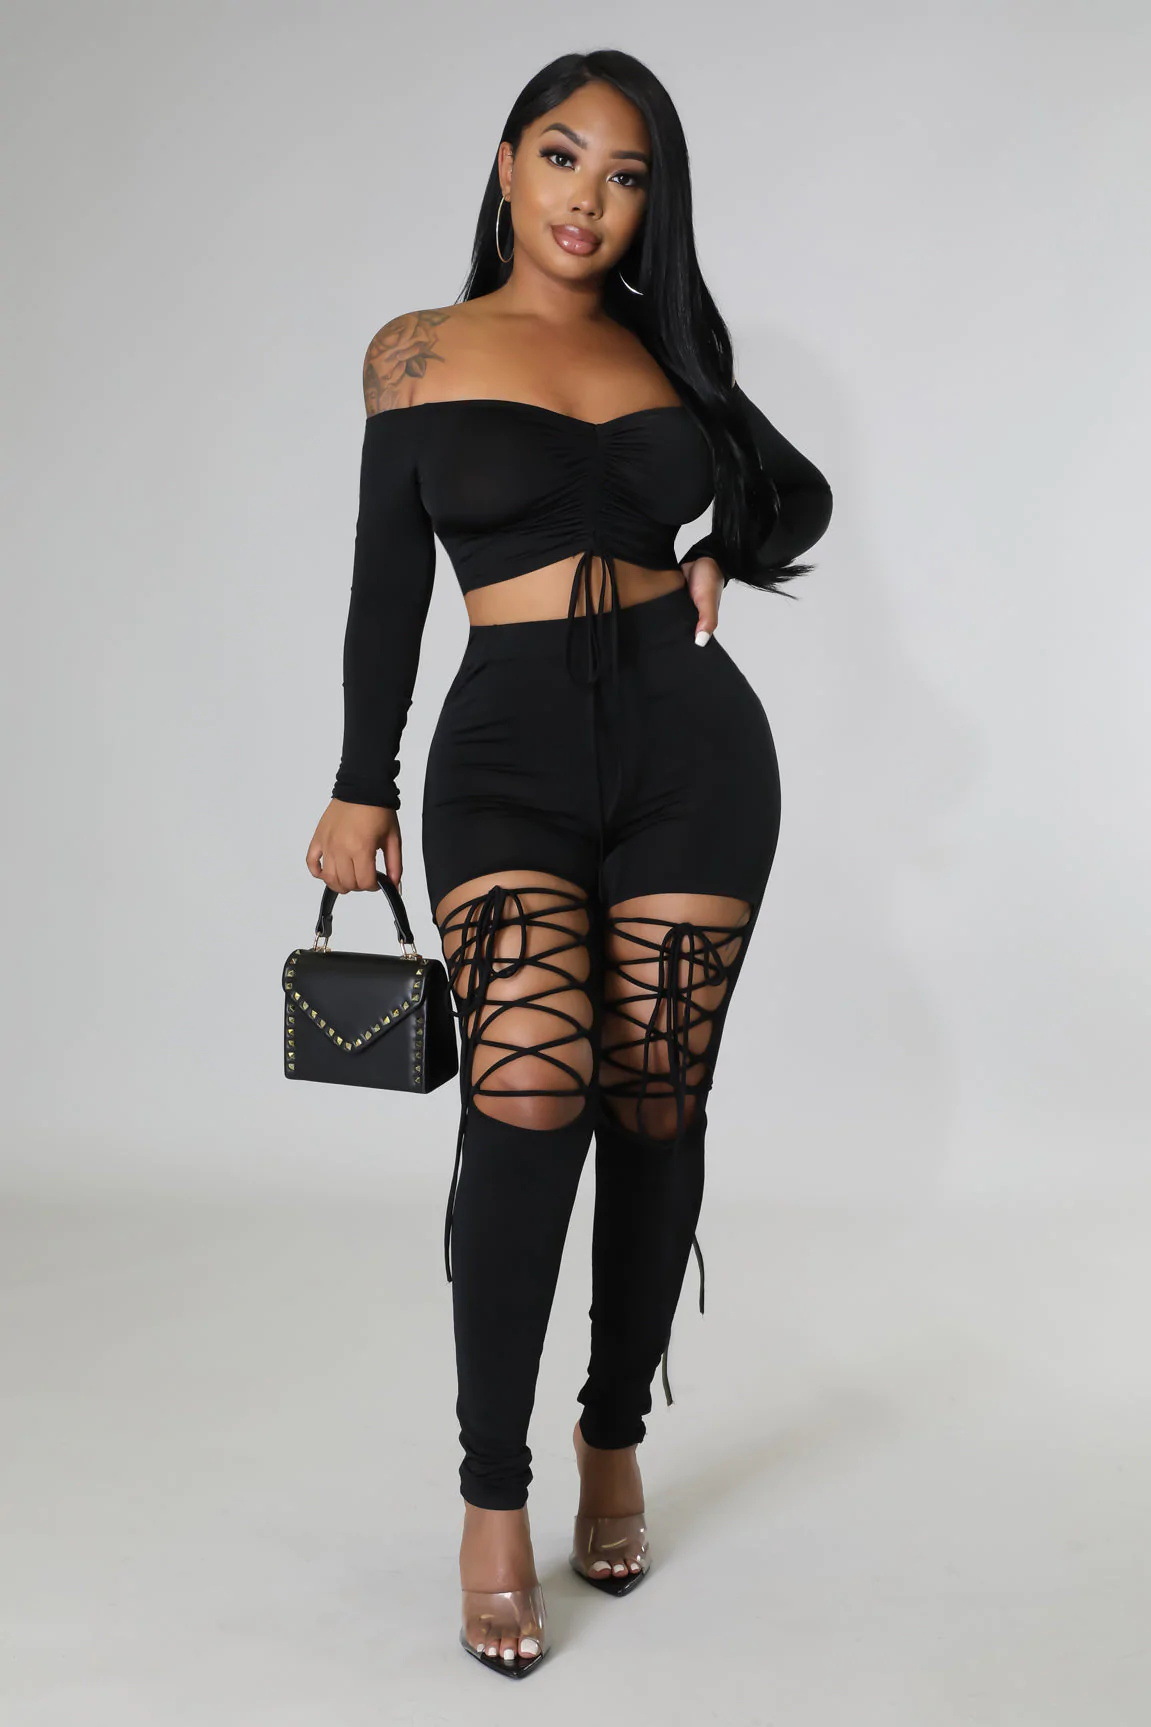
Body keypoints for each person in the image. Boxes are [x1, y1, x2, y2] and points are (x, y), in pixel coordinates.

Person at [305, 48, 833, 1679]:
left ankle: (614, 1434)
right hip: (507, 759)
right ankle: (493, 1495)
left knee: (656, 1100)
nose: (588, 198)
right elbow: (387, 581)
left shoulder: (666, 349)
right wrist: (362, 779)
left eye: (626, 173)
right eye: (561, 156)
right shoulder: (418, 350)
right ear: (507, 163)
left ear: (652, 202)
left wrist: (722, 552)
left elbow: (797, 492)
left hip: (693, 753)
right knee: (531, 1093)